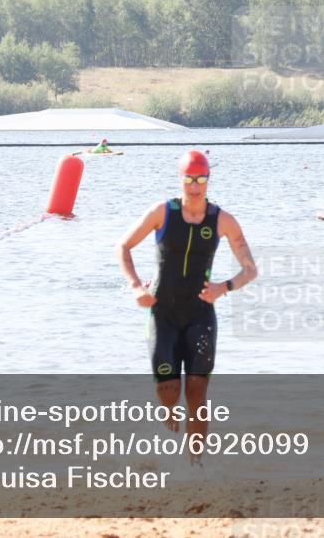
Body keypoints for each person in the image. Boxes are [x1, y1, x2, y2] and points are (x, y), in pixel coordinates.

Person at [116, 150, 257, 465]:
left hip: (200, 314)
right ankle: (166, 421)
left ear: (208, 180)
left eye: (201, 179)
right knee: (169, 391)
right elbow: (123, 247)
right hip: (162, 311)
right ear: (181, 179)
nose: (195, 186)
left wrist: (225, 287)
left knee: (196, 392)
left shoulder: (222, 220)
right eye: (189, 179)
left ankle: (195, 465)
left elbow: (250, 269)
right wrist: (136, 286)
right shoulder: (162, 212)